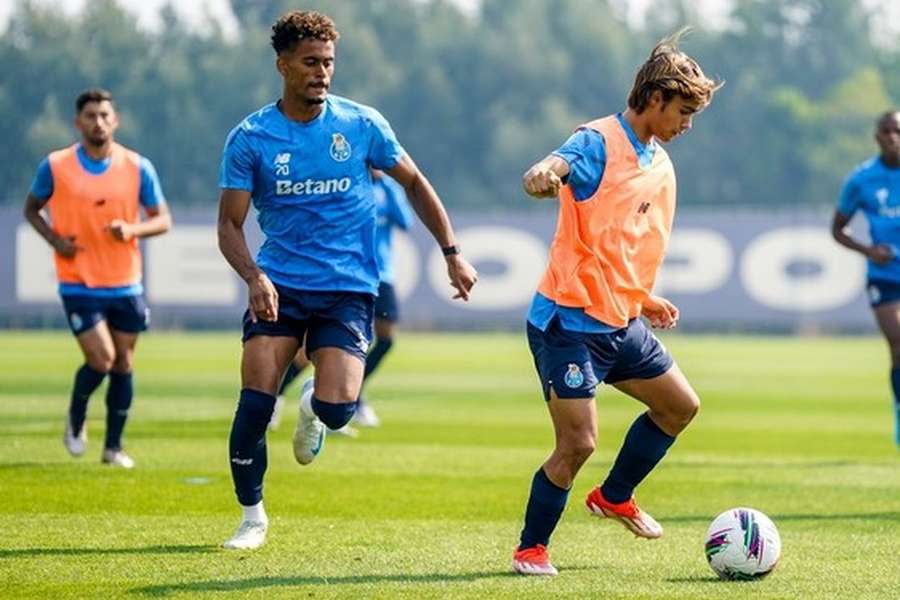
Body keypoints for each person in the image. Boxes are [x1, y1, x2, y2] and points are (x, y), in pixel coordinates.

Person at [217, 10, 477, 550]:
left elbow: (415, 182)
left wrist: (451, 252)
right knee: (254, 402)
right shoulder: (251, 137)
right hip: (281, 286)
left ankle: (315, 406)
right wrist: (253, 275)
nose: (322, 73)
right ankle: (252, 517)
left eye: (329, 63)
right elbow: (230, 224)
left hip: (348, 289)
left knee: (338, 410)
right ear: (282, 65)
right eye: (310, 63)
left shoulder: (362, 125)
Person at [512, 32, 721, 575]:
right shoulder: (597, 142)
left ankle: (614, 495)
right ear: (654, 99)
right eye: (683, 111)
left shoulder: (659, 161)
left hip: (619, 319)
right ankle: (531, 549)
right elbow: (553, 165)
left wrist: (643, 297)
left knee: (680, 407)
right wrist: (543, 175)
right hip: (567, 323)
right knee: (578, 442)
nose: (687, 124)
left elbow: (618, 241)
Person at [23, 88, 172, 469]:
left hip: (125, 281)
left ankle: (113, 448)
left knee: (123, 362)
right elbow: (32, 209)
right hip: (78, 280)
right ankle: (77, 415)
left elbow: (162, 219)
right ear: (78, 122)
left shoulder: (138, 167)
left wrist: (133, 230)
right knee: (102, 358)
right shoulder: (56, 166)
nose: (98, 122)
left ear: (115, 120)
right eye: (90, 116)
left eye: (105, 115)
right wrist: (55, 240)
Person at [270, 169, 413, 431]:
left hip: (382, 274)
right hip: (348, 274)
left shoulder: (388, 188)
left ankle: (351, 396)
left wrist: (388, 184)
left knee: (386, 339)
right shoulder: (346, 182)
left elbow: (406, 222)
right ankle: (277, 395)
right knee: (317, 347)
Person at [832, 109, 900, 448]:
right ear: (877, 137)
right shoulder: (862, 179)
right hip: (885, 274)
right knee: (898, 339)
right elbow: (837, 229)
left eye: (898, 130)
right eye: (886, 131)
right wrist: (869, 251)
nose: (892, 137)